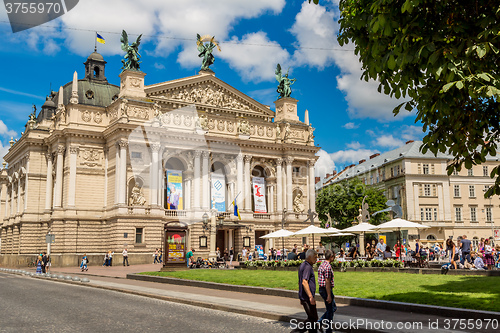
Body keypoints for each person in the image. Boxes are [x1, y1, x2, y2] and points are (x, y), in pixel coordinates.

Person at [297, 249, 318, 333]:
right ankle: (296, 331)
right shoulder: (307, 267)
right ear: (309, 257)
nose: (316, 259)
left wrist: (300, 296)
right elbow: (304, 282)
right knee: (312, 319)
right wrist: (310, 297)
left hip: (304, 297)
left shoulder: (303, 265)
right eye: (315, 257)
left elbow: (299, 282)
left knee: (312, 319)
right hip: (307, 298)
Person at [318, 250, 336, 333]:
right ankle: (327, 329)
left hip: (322, 289)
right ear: (331, 257)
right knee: (330, 310)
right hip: (326, 290)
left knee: (332, 308)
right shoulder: (328, 267)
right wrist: (329, 295)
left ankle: (320, 323)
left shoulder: (322, 265)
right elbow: (327, 281)